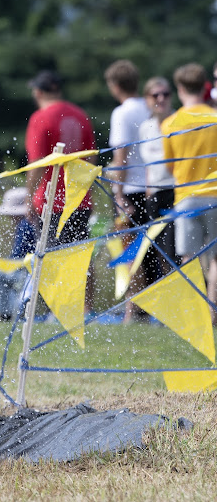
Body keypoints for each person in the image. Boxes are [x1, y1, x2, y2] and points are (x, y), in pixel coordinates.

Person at [25, 70, 97, 314]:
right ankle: (86, 309)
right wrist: (87, 193)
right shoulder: (80, 115)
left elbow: (37, 163)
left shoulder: (40, 118)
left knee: (52, 257)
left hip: (51, 201)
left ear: (38, 92)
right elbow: (91, 159)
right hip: (80, 199)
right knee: (81, 256)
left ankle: (62, 311)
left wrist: (28, 197)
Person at [161, 63, 217, 322]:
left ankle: (195, 317)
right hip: (215, 195)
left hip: (186, 197)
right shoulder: (215, 117)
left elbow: (169, 166)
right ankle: (213, 312)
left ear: (180, 88)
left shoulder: (170, 123)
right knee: (216, 258)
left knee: (189, 258)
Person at [104, 60, 153, 322]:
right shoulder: (150, 107)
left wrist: (118, 194)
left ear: (114, 85)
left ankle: (132, 309)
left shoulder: (121, 113)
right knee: (152, 251)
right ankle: (151, 307)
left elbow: (120, 157)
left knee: (130, 251)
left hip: (130, 189)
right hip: (152, 188)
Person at [138, 77, 178, 281]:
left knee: (175, 250)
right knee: (159, 251)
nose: (161, 99)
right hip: (155, 193)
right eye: (155, 95)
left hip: (177, 191)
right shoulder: (146, 128)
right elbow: (148, 165)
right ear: (147, 99)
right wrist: (148, 191)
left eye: (165, 94)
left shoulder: (179, 122)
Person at [0, 187, 36, 320]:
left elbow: (17, 258)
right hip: (29, 268)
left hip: (27, 270)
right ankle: (9, 313)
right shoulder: (30, 223)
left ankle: (5, 315)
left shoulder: (24, 225)